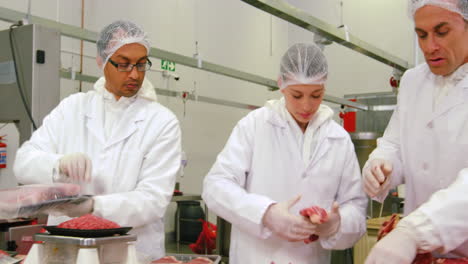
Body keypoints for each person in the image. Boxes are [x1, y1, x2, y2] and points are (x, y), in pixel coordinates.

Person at [13, 20, 181, 260]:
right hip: (67, 249)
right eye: (123, 64)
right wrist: (57, 165)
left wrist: (93, 207)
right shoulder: (72, 108)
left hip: (131, 251)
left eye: (141, 65)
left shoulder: (162, 122)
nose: (134, 74)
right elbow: (23, 164)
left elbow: (153, 200)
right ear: (102, 61)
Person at [202, 43, 367, 264]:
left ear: (324, 88)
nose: (307, 106)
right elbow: (215, 187)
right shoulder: (255, 126)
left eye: (316, 95)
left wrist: (336, 225)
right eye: (297, 95)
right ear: (281, 85)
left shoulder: (338, 139)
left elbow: (356, 207)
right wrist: (265, 214)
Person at [363, 0, 468, 263]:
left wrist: (413, 232)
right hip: (419, 255)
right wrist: (381, 165)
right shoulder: (412, 81)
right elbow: (394, 143)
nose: (429, 47)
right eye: (421, 34)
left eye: (442, 32)